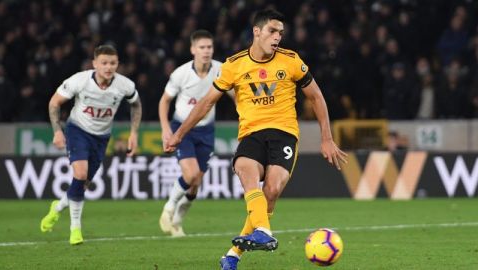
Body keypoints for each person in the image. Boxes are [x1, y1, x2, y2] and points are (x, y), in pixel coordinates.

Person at [164, 9, 347, 270]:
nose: (277, 37)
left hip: (284, 133)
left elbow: (316, 97)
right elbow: (206, 103)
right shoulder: (234, 65)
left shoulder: (291, 61)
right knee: (244, 169)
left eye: (281, 33)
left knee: (270, 191)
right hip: (251, 133)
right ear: (257, 31)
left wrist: (326, 138)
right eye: (272, 31)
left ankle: (233, 254)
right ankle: (262, 232)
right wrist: (179, 134)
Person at [40, 44, 142, 245]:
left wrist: (134, 133)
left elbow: (136, 104)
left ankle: (58, 207)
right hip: (77, 130)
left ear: (118, 64)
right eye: (104, 63)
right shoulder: (79, 81)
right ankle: (75, 229)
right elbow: (54, 103)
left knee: (82, 184)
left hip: (101, 137)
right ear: (94, 63)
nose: (108, 67)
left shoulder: (125, 85)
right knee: (79, 174)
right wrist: (57, 131)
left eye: (112, 63)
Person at [158, 30, 223, 237]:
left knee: (195, 186)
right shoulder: (181, 73)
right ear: (193, 49)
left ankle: (177, 220)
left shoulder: (220, 70)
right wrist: (166, 129)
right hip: (183, 128)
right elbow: (164, 101)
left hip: (207, 130)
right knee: (191, 174)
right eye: (202, 47)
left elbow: (234, 94)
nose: (206, 51)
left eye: (209, 47)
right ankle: (168, 208)